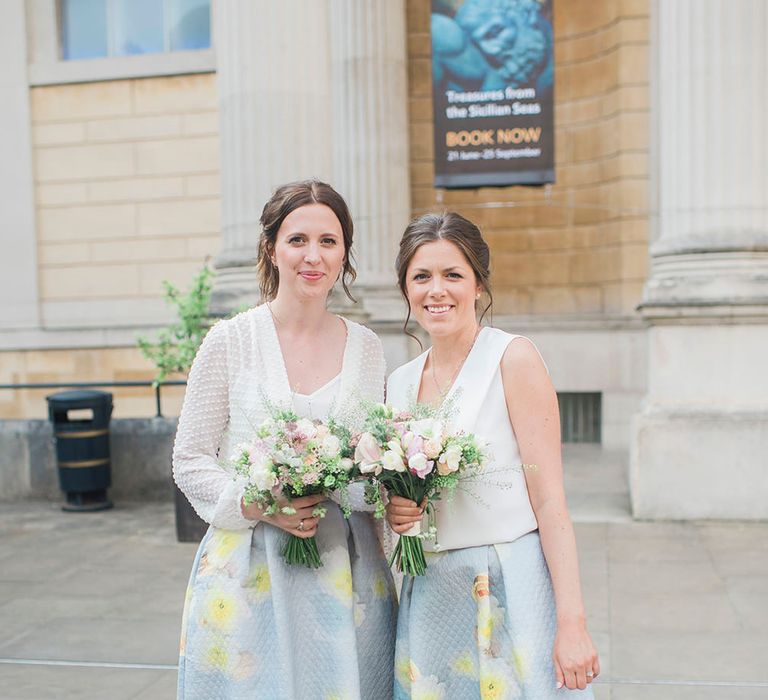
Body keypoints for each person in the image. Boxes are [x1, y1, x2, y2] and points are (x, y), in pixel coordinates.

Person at [172, 180, 397, 699]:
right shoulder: (230, 341)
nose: (312, 256)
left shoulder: (366, 348)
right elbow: (190, 459)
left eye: (329, 241)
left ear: (344, 253)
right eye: (297, 240)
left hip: (348, 571)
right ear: (271, 247)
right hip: (250, 570)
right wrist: (259, 503)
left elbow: (371, 465)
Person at [385, 212, 598, 698]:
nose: (436, 290)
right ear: (406, 289)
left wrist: (573, 623)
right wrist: (400, 514)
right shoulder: (398, 383)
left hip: (508, 584)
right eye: (422, 277)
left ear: (478, 284)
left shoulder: (512, 358)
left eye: (452, 275)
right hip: (431, 591)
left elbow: (550, 503)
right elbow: (402, 507)